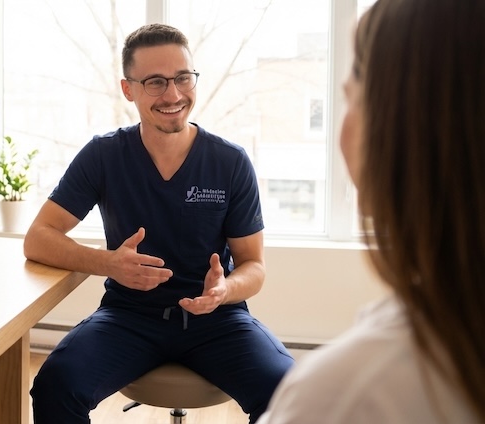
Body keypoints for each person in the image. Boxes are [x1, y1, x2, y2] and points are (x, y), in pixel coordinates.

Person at [24, 23, 293, 424]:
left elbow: (254, 266)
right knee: (55, 386)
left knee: (289, 392)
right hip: (129, 316)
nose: (173, 95)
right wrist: (108, 263)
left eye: (183, 78)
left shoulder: (230, 162)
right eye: (155, 82)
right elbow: (38, 239)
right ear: (128, 89)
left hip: (217, 320)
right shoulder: (103, 156)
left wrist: (224, 289)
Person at [257, 0, 485, 422]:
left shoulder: (348, 395)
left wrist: (222, 290)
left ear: (398, 129)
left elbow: (253, 264)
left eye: (351, 100)